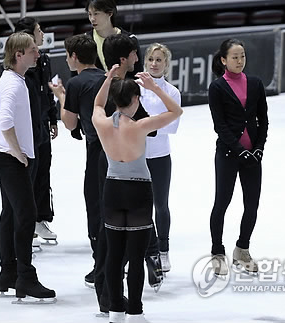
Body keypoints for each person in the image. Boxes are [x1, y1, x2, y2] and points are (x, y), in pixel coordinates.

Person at [92, 64, 182, 323]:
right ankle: (135, 311)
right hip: (139, 191)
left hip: (113, 189)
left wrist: (108, 78)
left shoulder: (103, 123)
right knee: (135, 255)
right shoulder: (141, 126)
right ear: (134, 100)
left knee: (114, 256)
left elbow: (98, 105)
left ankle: (115, 311)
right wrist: (155, 87)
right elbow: (176, 111)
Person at [0, 32, 55, 300]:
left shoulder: (11, 80)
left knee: (10, 213)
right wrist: (18, 153)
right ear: (19, 55)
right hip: (10, 159)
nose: (37, 53)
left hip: (3, 156)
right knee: (26, 215)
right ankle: (25, 277)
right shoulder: (14, 85)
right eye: (32, 50)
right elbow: (4, 122)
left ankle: (8, 271)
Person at [48, 34, 106, 288]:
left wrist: (61, 96)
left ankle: (101, 265)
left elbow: (70, 122)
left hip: (96, 152)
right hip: (119, 148)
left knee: (95, 208)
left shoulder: (76, 83)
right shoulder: (106, 77)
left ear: (73, 57)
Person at [208, 38, 269, 275]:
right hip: (228, 153)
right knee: (222, 203)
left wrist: (259, 146)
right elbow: (220, 125)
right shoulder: (217, 87)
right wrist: (238, 149)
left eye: (242, 55)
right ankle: (217, 251)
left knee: (252, 204)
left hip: (253, 155)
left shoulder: (255, 83)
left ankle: (242, 248)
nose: (239, 60)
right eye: (234, 56)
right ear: (223, 60)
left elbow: (262, 119)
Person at [14, 17, 59, 246]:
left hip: (42, 124)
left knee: (43, 172)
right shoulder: (20, 66)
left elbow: (47, 92)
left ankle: (39, 218)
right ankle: (25, 225)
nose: (43, 33)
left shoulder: (44, 60)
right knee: (28, 176)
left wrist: (53, 118)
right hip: (26, 128)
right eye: (39, 30)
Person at [141, 43, 181, 276]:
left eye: (159, 60)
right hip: (136, 155)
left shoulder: (172, 92)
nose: (154, 64)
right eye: (151, 59)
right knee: (141, 206)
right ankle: (150, 248)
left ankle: (163, 248)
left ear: (166, 64)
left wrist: (147, 127)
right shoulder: (136, 87)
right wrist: (154, 123)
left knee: (160, 204)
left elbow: (172, 126)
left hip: (159, 156)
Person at [85, 0, 142, 78]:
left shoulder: (130, 39)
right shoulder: (85, 40)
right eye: (89, 14)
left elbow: (137, 73)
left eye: (96, 14)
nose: (92, 19)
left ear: (110, 13)